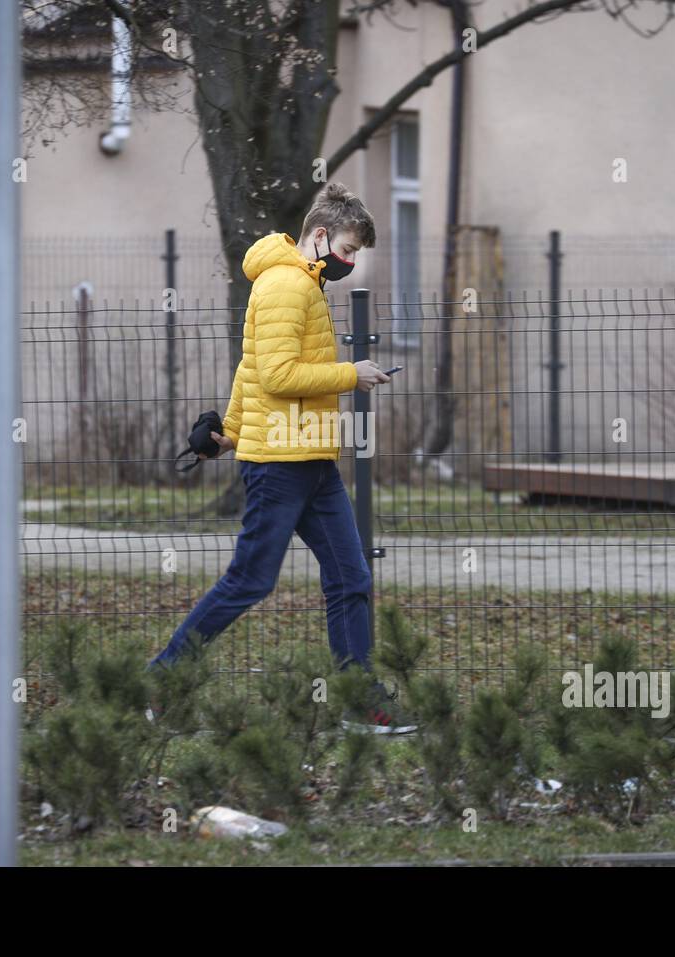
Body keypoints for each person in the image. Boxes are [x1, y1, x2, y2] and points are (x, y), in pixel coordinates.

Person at [147, 182, 416, 733]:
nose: (349, 262)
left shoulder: (303, 284)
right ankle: (157, 683)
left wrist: (231, 433)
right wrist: (352, 375)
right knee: (250, 580)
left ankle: (359, 702)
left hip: (311, 459)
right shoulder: (286, 286)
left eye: (356, 254)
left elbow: (250, 371)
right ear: (319, 236)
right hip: (280, 466)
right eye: (346, 249)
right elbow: (277, 375)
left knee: (351, 577)